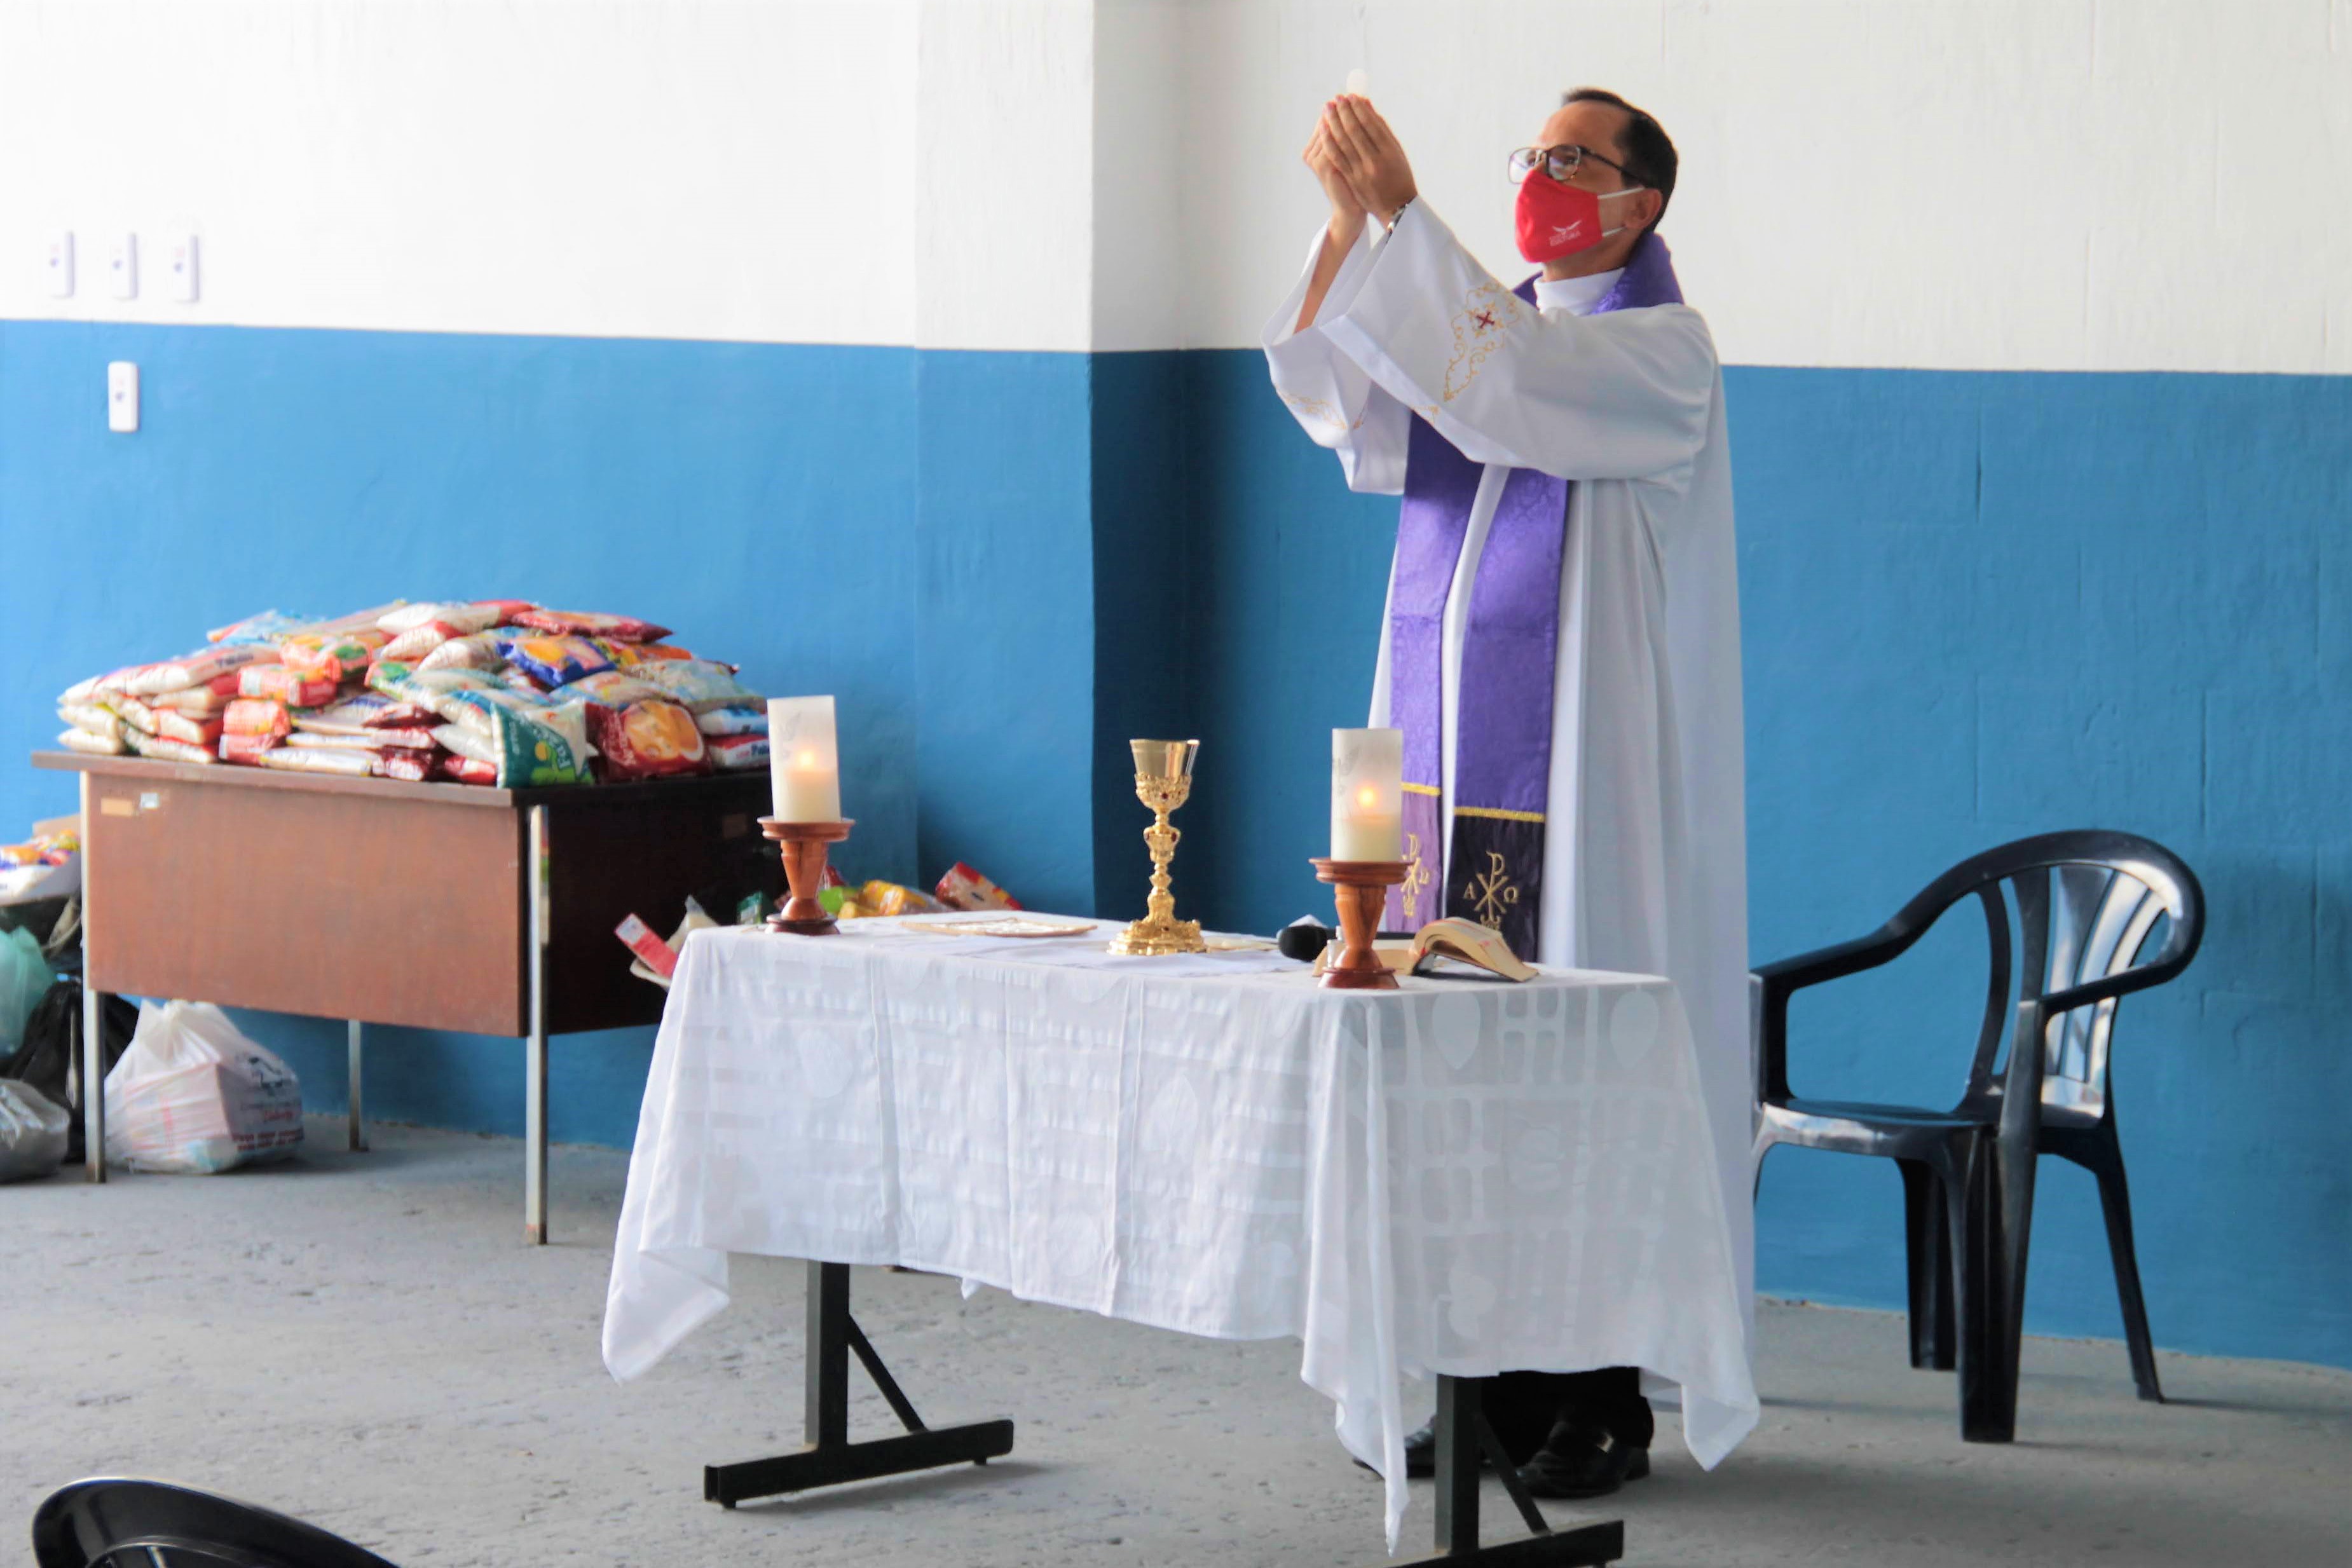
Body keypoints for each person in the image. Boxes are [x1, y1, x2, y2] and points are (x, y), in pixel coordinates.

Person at [1262, 88, 1749, 1500]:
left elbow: (1505, 372)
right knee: (1460, 1079)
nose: (1538, 175)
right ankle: (1479, 1391)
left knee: (1571, 1080)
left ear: (1640, 200)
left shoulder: (1661, 355)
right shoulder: (1500, 340)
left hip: (1584, 795)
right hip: (1451, 783)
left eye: (1568, 159)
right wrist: (1354, 228)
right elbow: (1337, 394)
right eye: (1527, 155)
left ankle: (1595, 1401)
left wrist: (1410, 227)